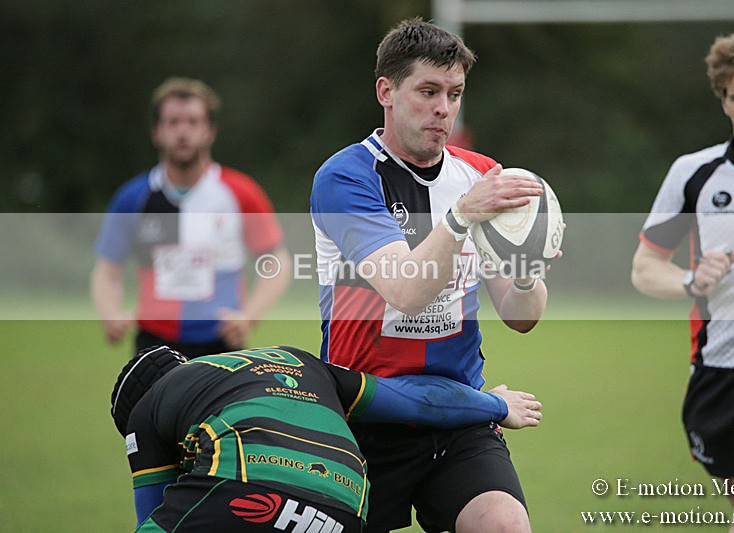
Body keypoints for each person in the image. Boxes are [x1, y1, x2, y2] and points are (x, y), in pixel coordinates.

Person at [310, 18, 552, 533]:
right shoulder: (346, 178)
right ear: (387, 91)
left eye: (455, 93)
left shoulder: (480, 173)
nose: (444, 107)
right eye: (428, 91)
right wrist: (463, 216)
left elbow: (519, 315)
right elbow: (407, 291)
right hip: (365, 418)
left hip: (461, 414)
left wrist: (528, 270)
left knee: (506, 526)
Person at [631, 25, 734, 533]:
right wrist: (690, 281)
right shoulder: (693, 175)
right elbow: (644, 268)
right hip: (716, 374)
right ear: (723, 103)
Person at [111, 345, 543, 531]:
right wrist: (494, 405)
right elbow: (416, 401)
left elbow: (152, 510)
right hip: (348, 506)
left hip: (244, 489)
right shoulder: (294, 361)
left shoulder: (146, 409)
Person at [91, 77, 291, 358]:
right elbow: (107, 271)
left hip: (221, 343)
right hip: (154, 343)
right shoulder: (134, 198)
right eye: (173, 122)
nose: (183, 131)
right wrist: (110, 313)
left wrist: (248, 317)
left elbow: (276, 262)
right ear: (157, 132)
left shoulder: (240, 193)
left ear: (210, 130)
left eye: (193, 122)